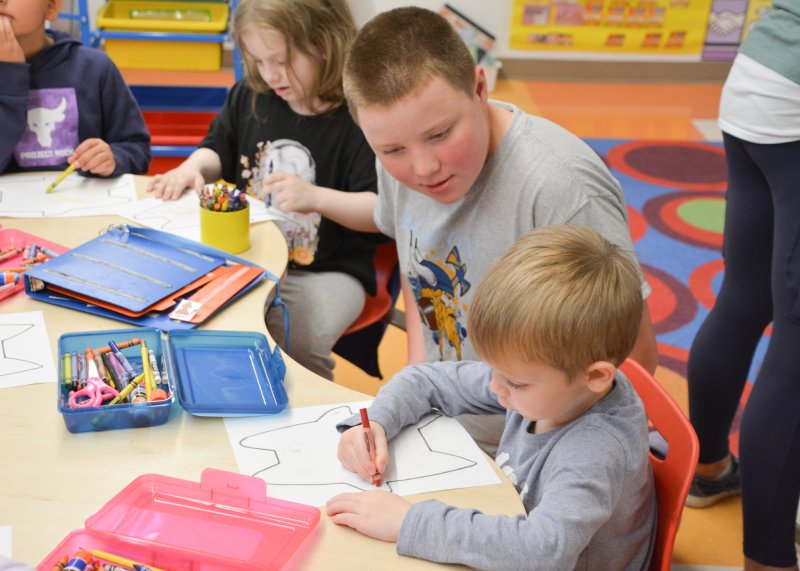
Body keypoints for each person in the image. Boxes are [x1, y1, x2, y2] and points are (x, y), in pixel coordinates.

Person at [267, 6, 657, 455]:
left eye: (440, 134)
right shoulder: (398, 161)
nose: (422, 168)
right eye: (392, 149)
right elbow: (420, 274)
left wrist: (529, 456)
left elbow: (634, 359)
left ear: (478, 87)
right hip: (443, 419)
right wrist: (414, 384)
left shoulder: (561, 188)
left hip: (534, 451)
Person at [326, 226, 656, 571]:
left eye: (515, 382)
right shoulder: (555, 383)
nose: (496, 387)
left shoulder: (595, 451)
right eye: (494, 369)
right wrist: (376, 422)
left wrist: (410, 523)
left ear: (596, 377)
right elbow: (424, 378)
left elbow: (544, 551)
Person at [146, 0, 383, 380]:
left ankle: (310, 409)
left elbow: (379, 211)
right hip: (250, 257)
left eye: (282, 60)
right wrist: (192, 167)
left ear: (326, 42)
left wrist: (316, 198)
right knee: (190, 313)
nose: (270, 74)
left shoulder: (360, 116)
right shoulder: (251, 96)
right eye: (258, 61)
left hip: (326, 271)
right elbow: (216, 148)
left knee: (295, 337)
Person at [685, 3, 800, 570]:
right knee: (797, 350)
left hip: (759, 76)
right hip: (796, 102)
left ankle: (706, 469)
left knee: (744, 294)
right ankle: (770, 560)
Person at [0, 0, 150, 176]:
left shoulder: (95, 68)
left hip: (86, 201)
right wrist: (10, 76)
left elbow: (137, 150)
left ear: (51, 7)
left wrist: (114, 158)